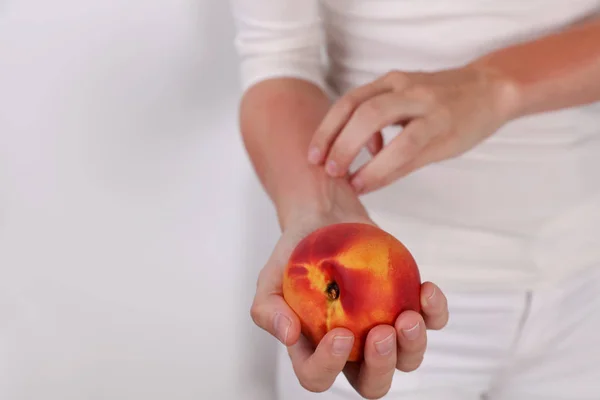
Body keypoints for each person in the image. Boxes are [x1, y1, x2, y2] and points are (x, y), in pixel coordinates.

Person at [229, 1, 600, 399]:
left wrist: (495, 87)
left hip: (587, 278)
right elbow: (279, 58)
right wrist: (317, 206)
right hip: (390, 292)